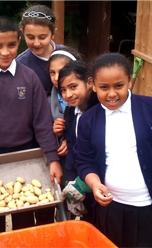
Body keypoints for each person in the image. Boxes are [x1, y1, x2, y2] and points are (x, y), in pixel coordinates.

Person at [74, 53, 152, 247]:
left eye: (119, 85)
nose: (111, 94)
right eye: (104, 87)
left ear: (130, 81)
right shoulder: (88, 120)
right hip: (111, 211)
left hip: (150, 209)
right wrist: (94, 184)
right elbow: (84, 160)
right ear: (92, 84)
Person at [0, 15, 62, 237]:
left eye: (11, 45)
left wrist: (52, 158)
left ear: (19, 42)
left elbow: (42, 122)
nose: (5, 52)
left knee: (23, 215)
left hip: (26, 155)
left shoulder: (30, 77)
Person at [57, 60, 99, 222]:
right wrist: (71, 181)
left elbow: (100, 155)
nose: (68, 94)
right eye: (63, 90)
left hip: (96, 185)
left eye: (73, 87)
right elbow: (74, 149)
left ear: (89, 82)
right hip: (79, 181)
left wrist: (84, 185)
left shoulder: (98, 114)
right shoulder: (71, 111)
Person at [48, 48, 82, 183]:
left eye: (62, 71)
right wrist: (56, 131)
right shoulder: (47, 100)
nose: (57, 78)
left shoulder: (85, 99)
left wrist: (70, 138)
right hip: (61, 161)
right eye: (52, 72)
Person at [16, 4, 65, 92]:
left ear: (53, 34)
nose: (36, 43)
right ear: (22, 33)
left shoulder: (67, 54)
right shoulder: (20, 64)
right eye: (30, 37)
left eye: (42, 37)